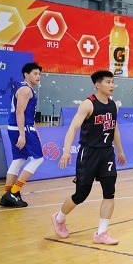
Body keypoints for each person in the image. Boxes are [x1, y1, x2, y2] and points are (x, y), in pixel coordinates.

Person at [51, 70, 126, 245]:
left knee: (109, 192)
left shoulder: (114, 106)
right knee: (81, 194)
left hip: (107, 153)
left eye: (113, 82)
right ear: (98, 85)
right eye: (108, 82)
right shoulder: (88, 104)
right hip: (89, 153)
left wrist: (120, 151)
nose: (112, 85)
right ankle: (59, 218)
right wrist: (66, 151)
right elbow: (73, 128)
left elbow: (114, 129)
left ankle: (101, 233)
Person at [0, 62, 44, 208]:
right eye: (35, 73)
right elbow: (20, 112)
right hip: (22, 128)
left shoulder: (25, 88)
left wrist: (36, 130)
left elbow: (28, 114)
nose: (38, 76)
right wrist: (22, 134)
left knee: (19, 159)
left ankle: (7, 195)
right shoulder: (25, 90)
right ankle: (14, 192)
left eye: (39, 74)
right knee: (38, 159)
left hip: (18, 127)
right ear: (26, 74)